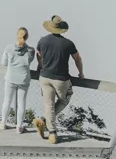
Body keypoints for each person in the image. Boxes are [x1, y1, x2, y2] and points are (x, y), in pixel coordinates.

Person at [35, 15, 84, 145]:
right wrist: (81, 73)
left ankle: (52, 133)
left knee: (48, 104)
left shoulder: (42, 41)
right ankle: (45, 122)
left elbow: (39, 55)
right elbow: (77, 58)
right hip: (61, 79)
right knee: (65, 99)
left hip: (44, 77)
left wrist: (40, 67)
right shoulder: (68, 43)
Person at [0, 27, 35, 133]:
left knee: (7, 101)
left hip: (10, 78)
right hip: (24, 80)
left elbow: (4, 63)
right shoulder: (31, 50)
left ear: (17, 35)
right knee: (22, 103)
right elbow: (30, 61)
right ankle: (19, 127)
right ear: (27, 37)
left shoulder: (8, 48)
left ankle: (3, 123)